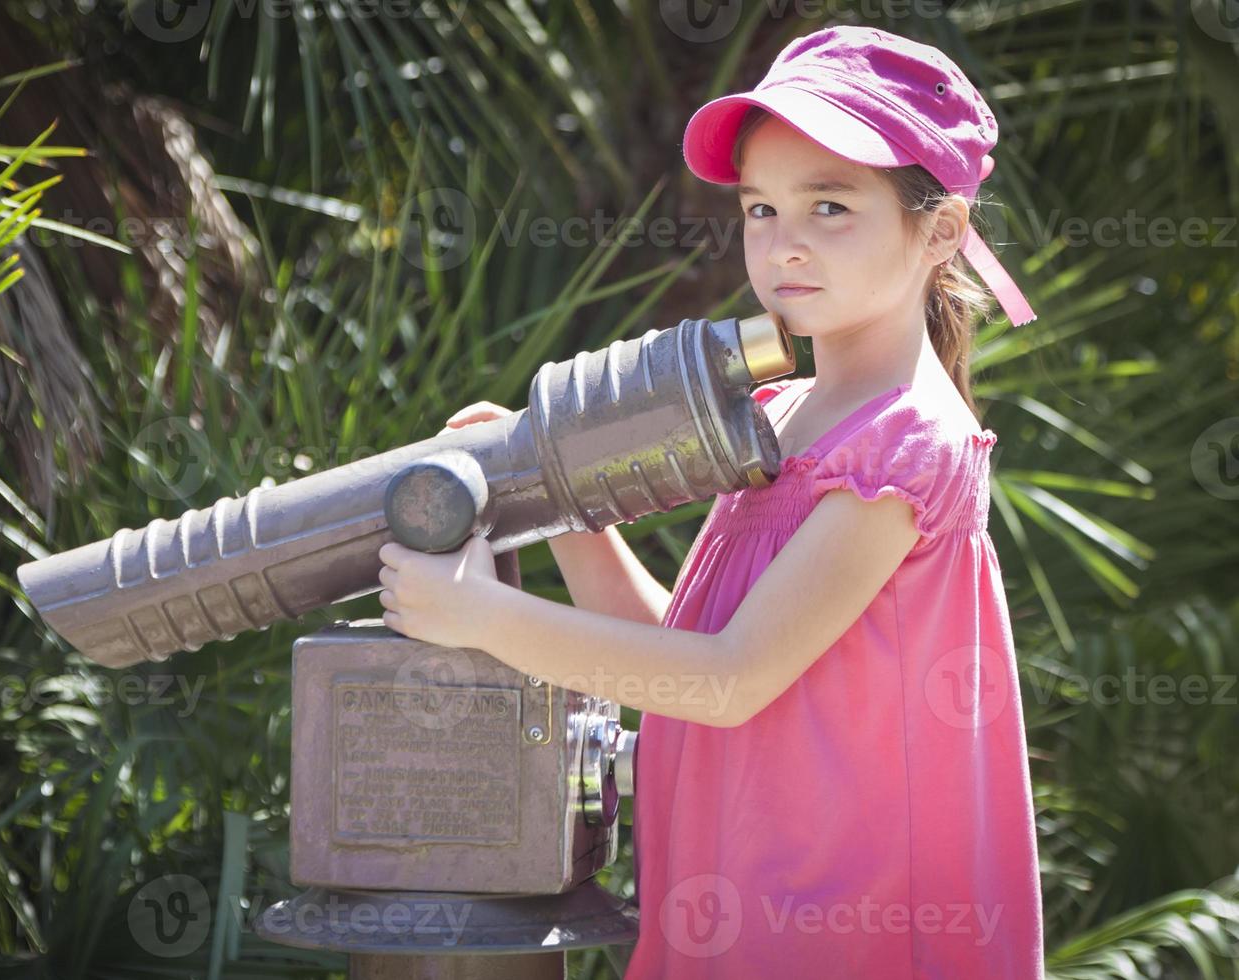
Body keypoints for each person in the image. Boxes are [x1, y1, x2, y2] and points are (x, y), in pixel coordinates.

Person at [376, 23, 1043, 978]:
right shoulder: (779, 415)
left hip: (841, 921)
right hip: (731, 903)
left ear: (939, 231)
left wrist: (480, 616)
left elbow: (727, 681)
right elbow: (676, 649)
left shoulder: (905, 445)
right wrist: (551, 495)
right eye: (761, 210)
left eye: (829, 208)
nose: (785, 245)